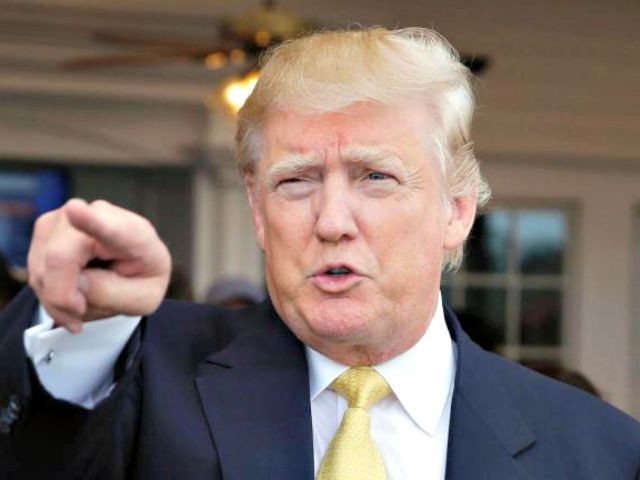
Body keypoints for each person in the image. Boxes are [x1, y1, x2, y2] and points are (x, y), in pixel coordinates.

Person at [1, 27, 639, 479]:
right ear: (258, 212)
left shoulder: (599, 450)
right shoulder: (144, 369)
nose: (332, 222)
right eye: (296, 182)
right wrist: (79, 311)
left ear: (457, 211)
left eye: (376, 177)